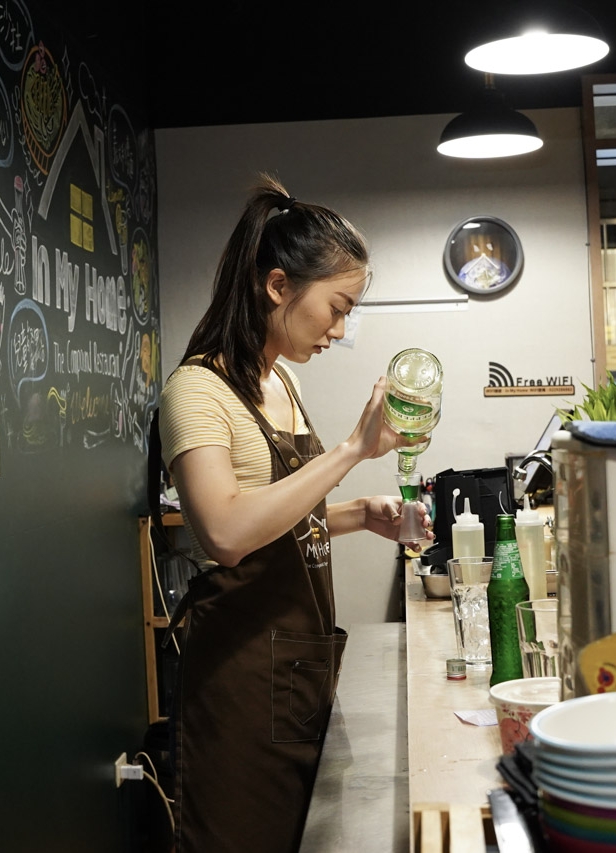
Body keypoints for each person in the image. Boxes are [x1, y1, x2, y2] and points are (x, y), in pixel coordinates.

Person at [158, 175, 430, 852]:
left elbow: (278, 519)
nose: (339, 331)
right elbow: (225, 532)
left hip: (300, 675)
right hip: (240, 687)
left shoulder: (283, 379)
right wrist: (349, 452)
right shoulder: (196, 390)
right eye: (335, 309)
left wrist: (360, 513)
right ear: (278, 286)